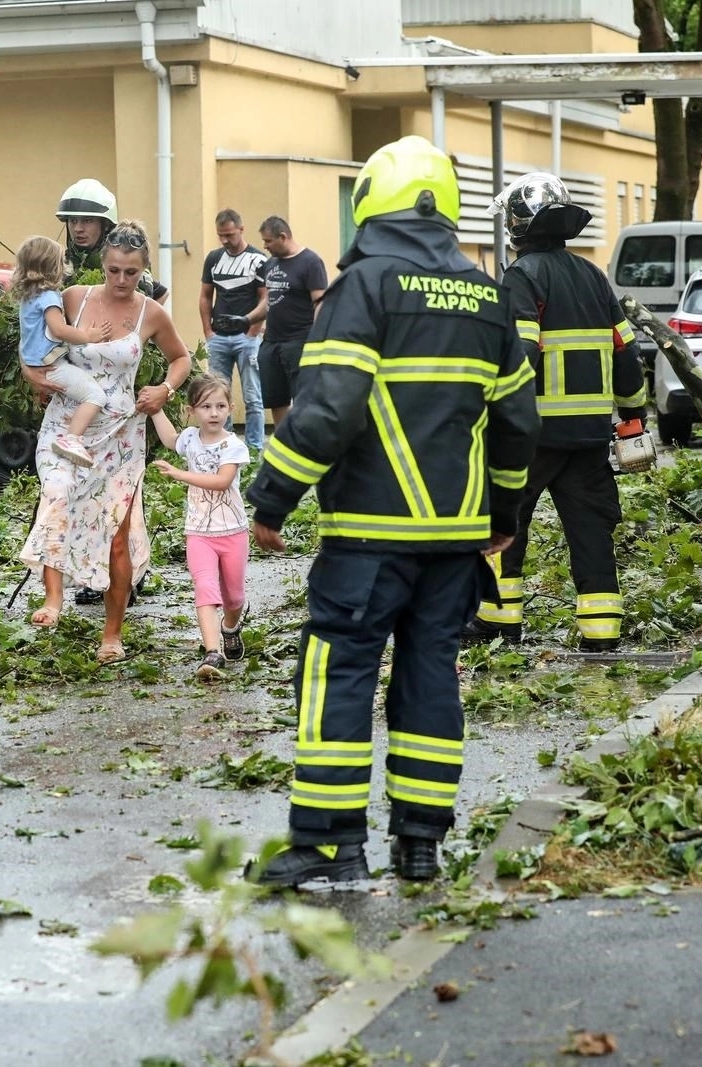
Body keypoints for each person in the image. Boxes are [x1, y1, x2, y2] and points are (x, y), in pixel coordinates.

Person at [244, 136, 539, 889]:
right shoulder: (487, 294)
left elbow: (328, 408)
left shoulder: (365, 286)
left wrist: (272, 495)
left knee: (338, 671)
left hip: (369, 536)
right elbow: (516, 422)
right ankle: (420, 843)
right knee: (430, 675)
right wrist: (502, 511)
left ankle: (330, 845)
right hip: (454, 540)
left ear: (374, 199)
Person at [463, 172, 649, 653]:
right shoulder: (592, 276)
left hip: (534, 435)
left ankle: (499, 622)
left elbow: (520, 351)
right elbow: (626, 355)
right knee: (591, 534)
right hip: (589, 437)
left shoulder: (523, 276)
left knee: (504, 523)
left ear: (518, 226)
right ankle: (601, 634)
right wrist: (633, 418)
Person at [20, 220, 193, 663]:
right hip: (67, 425)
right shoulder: (73, 299)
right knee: (56, 498)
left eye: (131, 273)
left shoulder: (150, 312)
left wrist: (165, 390)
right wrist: (34, 376)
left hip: (121, 435)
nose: (121, 280)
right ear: (102, 264)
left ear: (143, 271)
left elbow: (181, 358)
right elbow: (33, 343)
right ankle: (53, 600)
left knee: (117, 533)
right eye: (114, 270)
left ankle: (111, 634)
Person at [149, 374, 252, 680]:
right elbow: (170, 439)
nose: (214, 412)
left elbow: (221, 482)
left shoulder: (233, 445)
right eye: (206, 406)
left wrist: (179, 475)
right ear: (192, 410)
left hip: (233, 531)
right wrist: (155, 409)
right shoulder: (191, 438)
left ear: (231, 408)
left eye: (221, 405)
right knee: (205, 590)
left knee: (234, 598)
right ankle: (213, 652)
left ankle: (230, 627)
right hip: (199, 533)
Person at [13, 235, 115, 467]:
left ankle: (53, 436)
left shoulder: (29, 297)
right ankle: (72, 439)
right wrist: (89, 336)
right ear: (53, 266)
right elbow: (59, 329)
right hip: (52, 367)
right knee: (95, 396)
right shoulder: (49, 297)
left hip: (38, 365)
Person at [242, 216, 327, 430]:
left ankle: (304, 443)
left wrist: (316, 340)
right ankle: (283, 443)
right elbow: (269, 301)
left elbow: (321, 303)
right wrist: (245, 319)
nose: (265, 246)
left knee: (303, 400)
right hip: (272, 343)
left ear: (283, 236)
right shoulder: (271, 264)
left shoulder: (310, 262)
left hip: (299, 341)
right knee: (276, 400)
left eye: (268, 241)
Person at [199, 209, 268, 452]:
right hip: (218, 337)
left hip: (247, 338)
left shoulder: (259, 260)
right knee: (217, 396)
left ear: (241, 229)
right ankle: (224, 447)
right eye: (221, 236)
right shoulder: (214, 258)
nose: (225, 240)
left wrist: (253, 332)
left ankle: (254, 450)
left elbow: (265, 299)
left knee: (253, 396)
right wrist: (208, 331)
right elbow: (206, 296)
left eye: (229, 234)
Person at [55, 178, 169, 304]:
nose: (78, 229)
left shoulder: (122, 263)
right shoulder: (59, 265)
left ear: (106, 225)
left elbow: (161, 294)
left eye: (87, 221)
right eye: (73, 221)